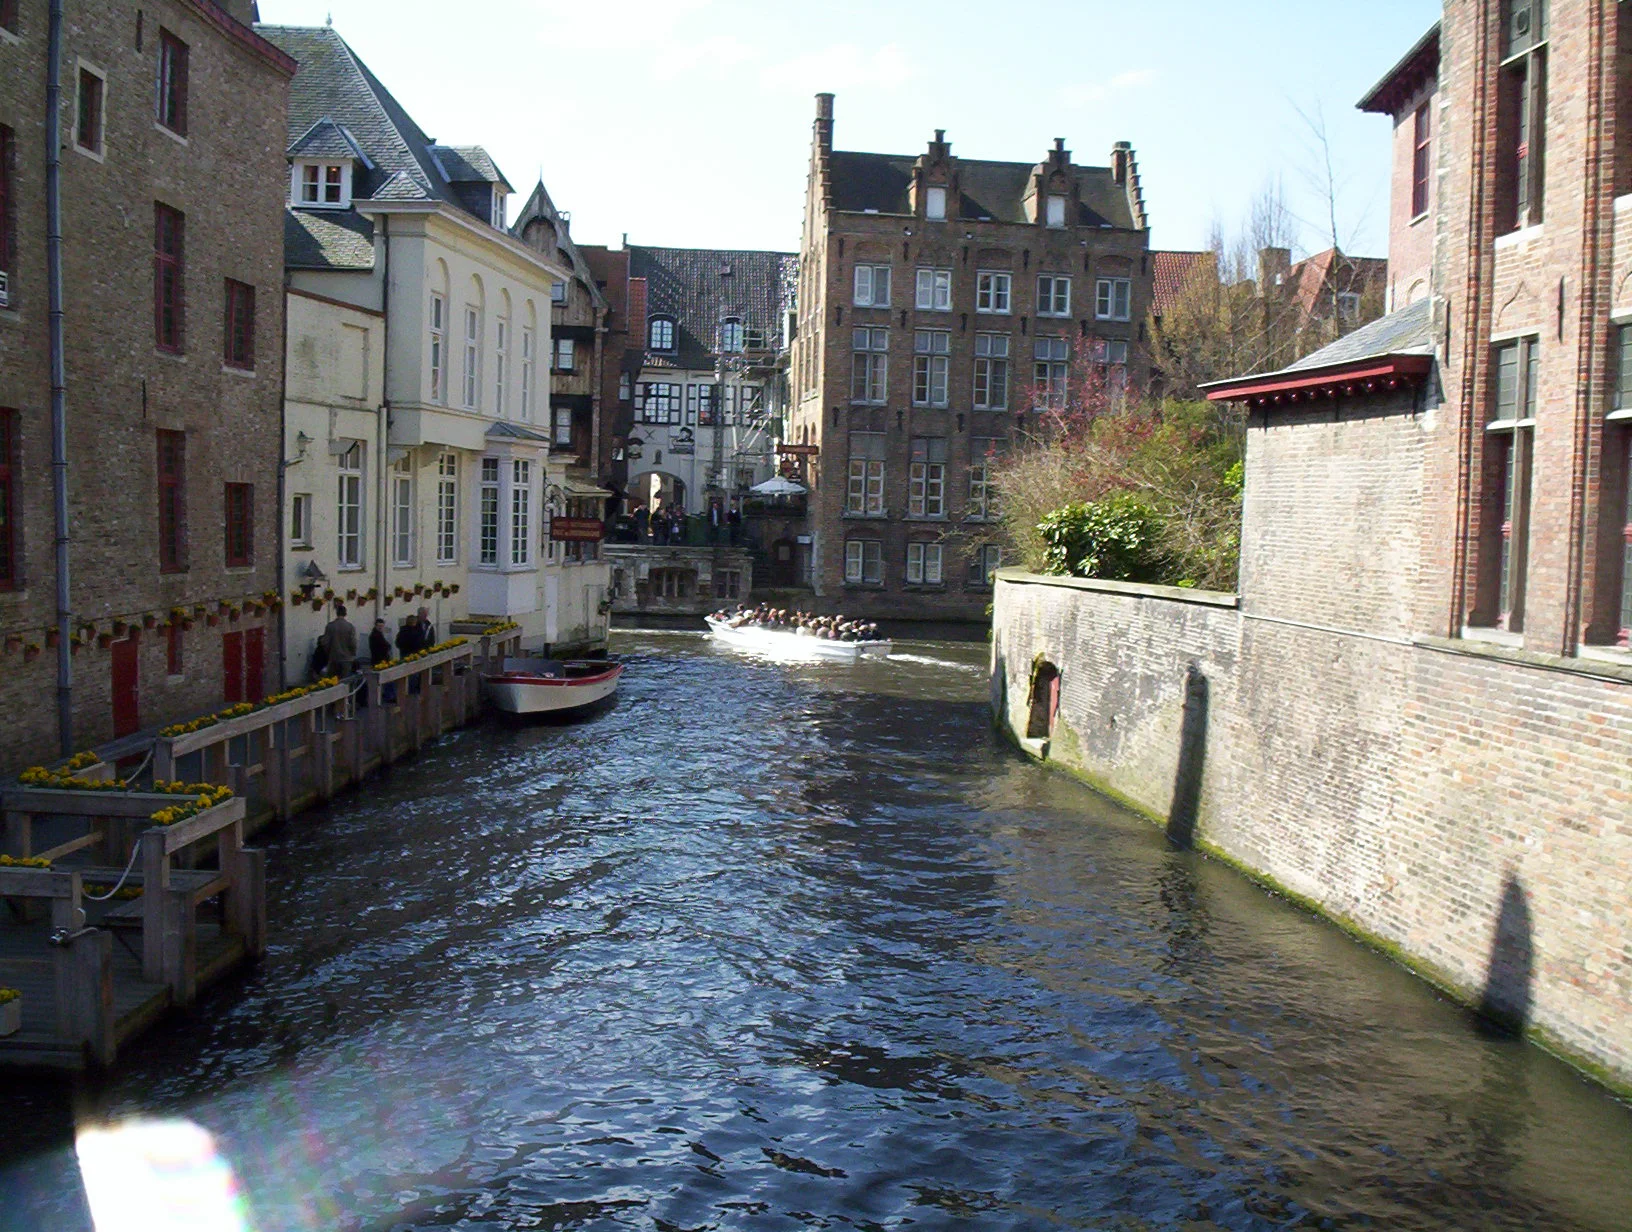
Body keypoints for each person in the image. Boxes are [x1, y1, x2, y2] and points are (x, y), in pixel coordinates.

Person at [322, 603, 358, 677]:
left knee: (332, 682)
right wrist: (353, 653)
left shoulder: (330, 626)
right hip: (346, 658)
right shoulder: (349, 626)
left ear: (336, 613)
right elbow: (353, 643)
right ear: (345, 614)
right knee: (344, 682)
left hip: (334, 658)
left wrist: (328, 653)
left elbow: (325, 643)